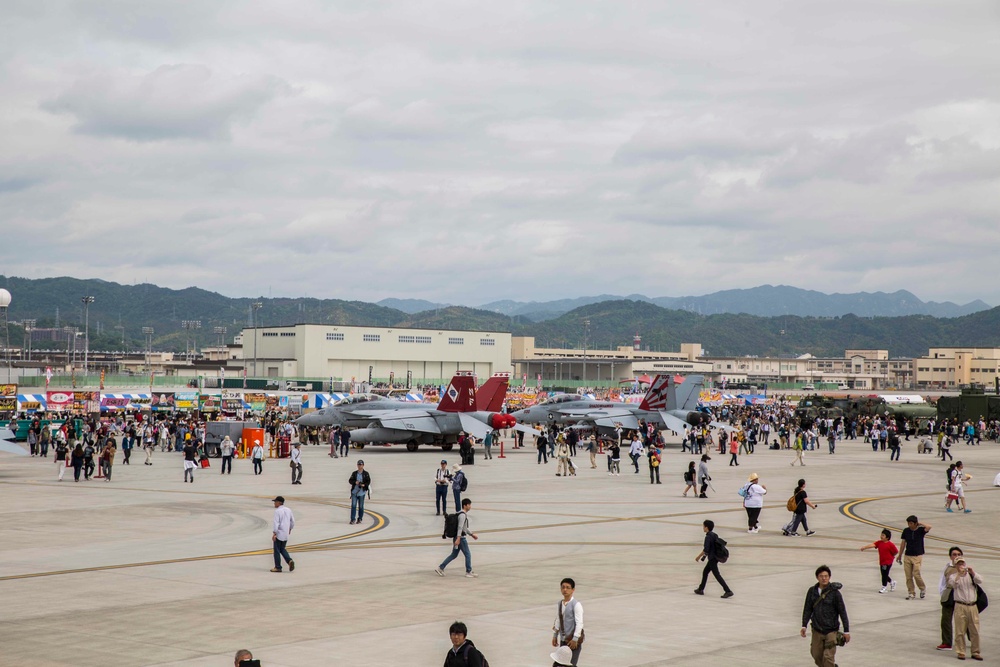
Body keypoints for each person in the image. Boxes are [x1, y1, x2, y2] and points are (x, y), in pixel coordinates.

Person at [800, 565, 850, 667]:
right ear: (817, 577)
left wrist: (846, 631)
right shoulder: (812, 591)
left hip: (831, 630)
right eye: (821, 576)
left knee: (828, 657)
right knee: (816, 655)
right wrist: (804, 625)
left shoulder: (835, 593)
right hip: (817, 629)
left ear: (829, 577)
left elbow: (842, 612)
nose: (824, 578)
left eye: (826, 576)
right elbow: (807, 608)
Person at [946, 557, 983, 661]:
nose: (961, 565)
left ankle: (975, 652)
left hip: (972, 606)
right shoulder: (953, 576)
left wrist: (972, 572)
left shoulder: (970, 576)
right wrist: (959, 574)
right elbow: (951, 584)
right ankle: (961, 651)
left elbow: (980, 580)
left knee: (975, 630)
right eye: (958, 564)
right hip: (960, 605)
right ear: (955, 565)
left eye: (962, 563)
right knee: (960, 631)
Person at [435, 498, 478, 578]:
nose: (470, 506)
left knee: (454, 554)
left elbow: (464, 528)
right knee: (468, 554)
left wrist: (471, 534)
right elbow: (460, 527)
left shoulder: (459, 514)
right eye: (469, 505)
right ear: (465, 506)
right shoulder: (462, 515)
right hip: (461, 538)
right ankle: (468, 571)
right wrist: (458, 538)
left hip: (457, 537)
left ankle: (441, 568)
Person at [694, 519, 733, 598]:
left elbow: (706, 550)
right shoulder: (714, 535)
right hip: (715, 557)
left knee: (717, 575)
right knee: (705, 572)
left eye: (703, 526)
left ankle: (728, 591)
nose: (703, 528)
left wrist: (698, 557)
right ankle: (701, 589)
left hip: (712, 558)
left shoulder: (708, 537)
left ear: (706, 527)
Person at [551, 577, 584, 666]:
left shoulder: (576, 605)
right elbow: (558, 619)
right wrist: (555, 635)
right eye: (563, 587)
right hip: (563, 640)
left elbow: (579, 623)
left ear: (573, 590)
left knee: (571, 664)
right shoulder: (560, 603)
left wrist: (575, 639)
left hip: (572, 641)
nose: (565, 590)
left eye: (568, 587)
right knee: (561, 663)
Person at [938, 545, 965, 652]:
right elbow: (942, 583)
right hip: (949, 595)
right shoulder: (947, 567)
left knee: (964, 621)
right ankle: (947, 642)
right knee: (946, 620)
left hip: (962, 597)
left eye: (959, 554)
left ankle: (970, 639)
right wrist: (943, 594)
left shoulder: (966, 568)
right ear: (950, 557)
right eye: (954, 554)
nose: (956, 556)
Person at [897, 515, 931, 599]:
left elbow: (929, 527)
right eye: (908, 523)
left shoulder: (920, 530)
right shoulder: (906, 531)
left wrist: (920, 524)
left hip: (917, 556)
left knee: (916, 574)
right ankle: (911, 592)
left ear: (915, 523)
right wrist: (900, 555)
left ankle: (922, 588)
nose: (909, 525)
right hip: (907, 555)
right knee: (908, 576)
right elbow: (903, 543)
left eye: (911, 523)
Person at [860, 528, 898, 593]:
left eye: (883, 535)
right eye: (881, 535)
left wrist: (891, 557)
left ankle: (884, 587)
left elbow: (895, 551)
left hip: (887, 562)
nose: (881, 536)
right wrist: (865, 547)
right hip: (882, 561)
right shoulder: (879, 542)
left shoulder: (890, 545)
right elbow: (873, 545)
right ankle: (892, 582)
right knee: (884, 574)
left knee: (884, 574)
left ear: (887, 537)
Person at [270, 495, 295, 573]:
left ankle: (278, 567)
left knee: (277, 550)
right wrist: (290, 528)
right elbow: (292, 521)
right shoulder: (288, 510)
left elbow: (276, 523)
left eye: (275, 502)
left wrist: (274, 533)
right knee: (282, 548)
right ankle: (289, 560)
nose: (274, 503)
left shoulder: (277, 511)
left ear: (279, 503)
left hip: (279, 533)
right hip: (285, 533)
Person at [349, 460, 370, 524]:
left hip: (361, 492)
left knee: (361, 506)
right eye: (358, 465)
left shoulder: (366, 474)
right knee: (353, 505)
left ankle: (360, 518)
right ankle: (353, 519)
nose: (359, 466)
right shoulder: (354, 473)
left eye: (361, 465)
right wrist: (355, 482)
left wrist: (364, 485)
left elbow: (368, 481)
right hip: (354, 492)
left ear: (363, 465)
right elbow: (350, 480)